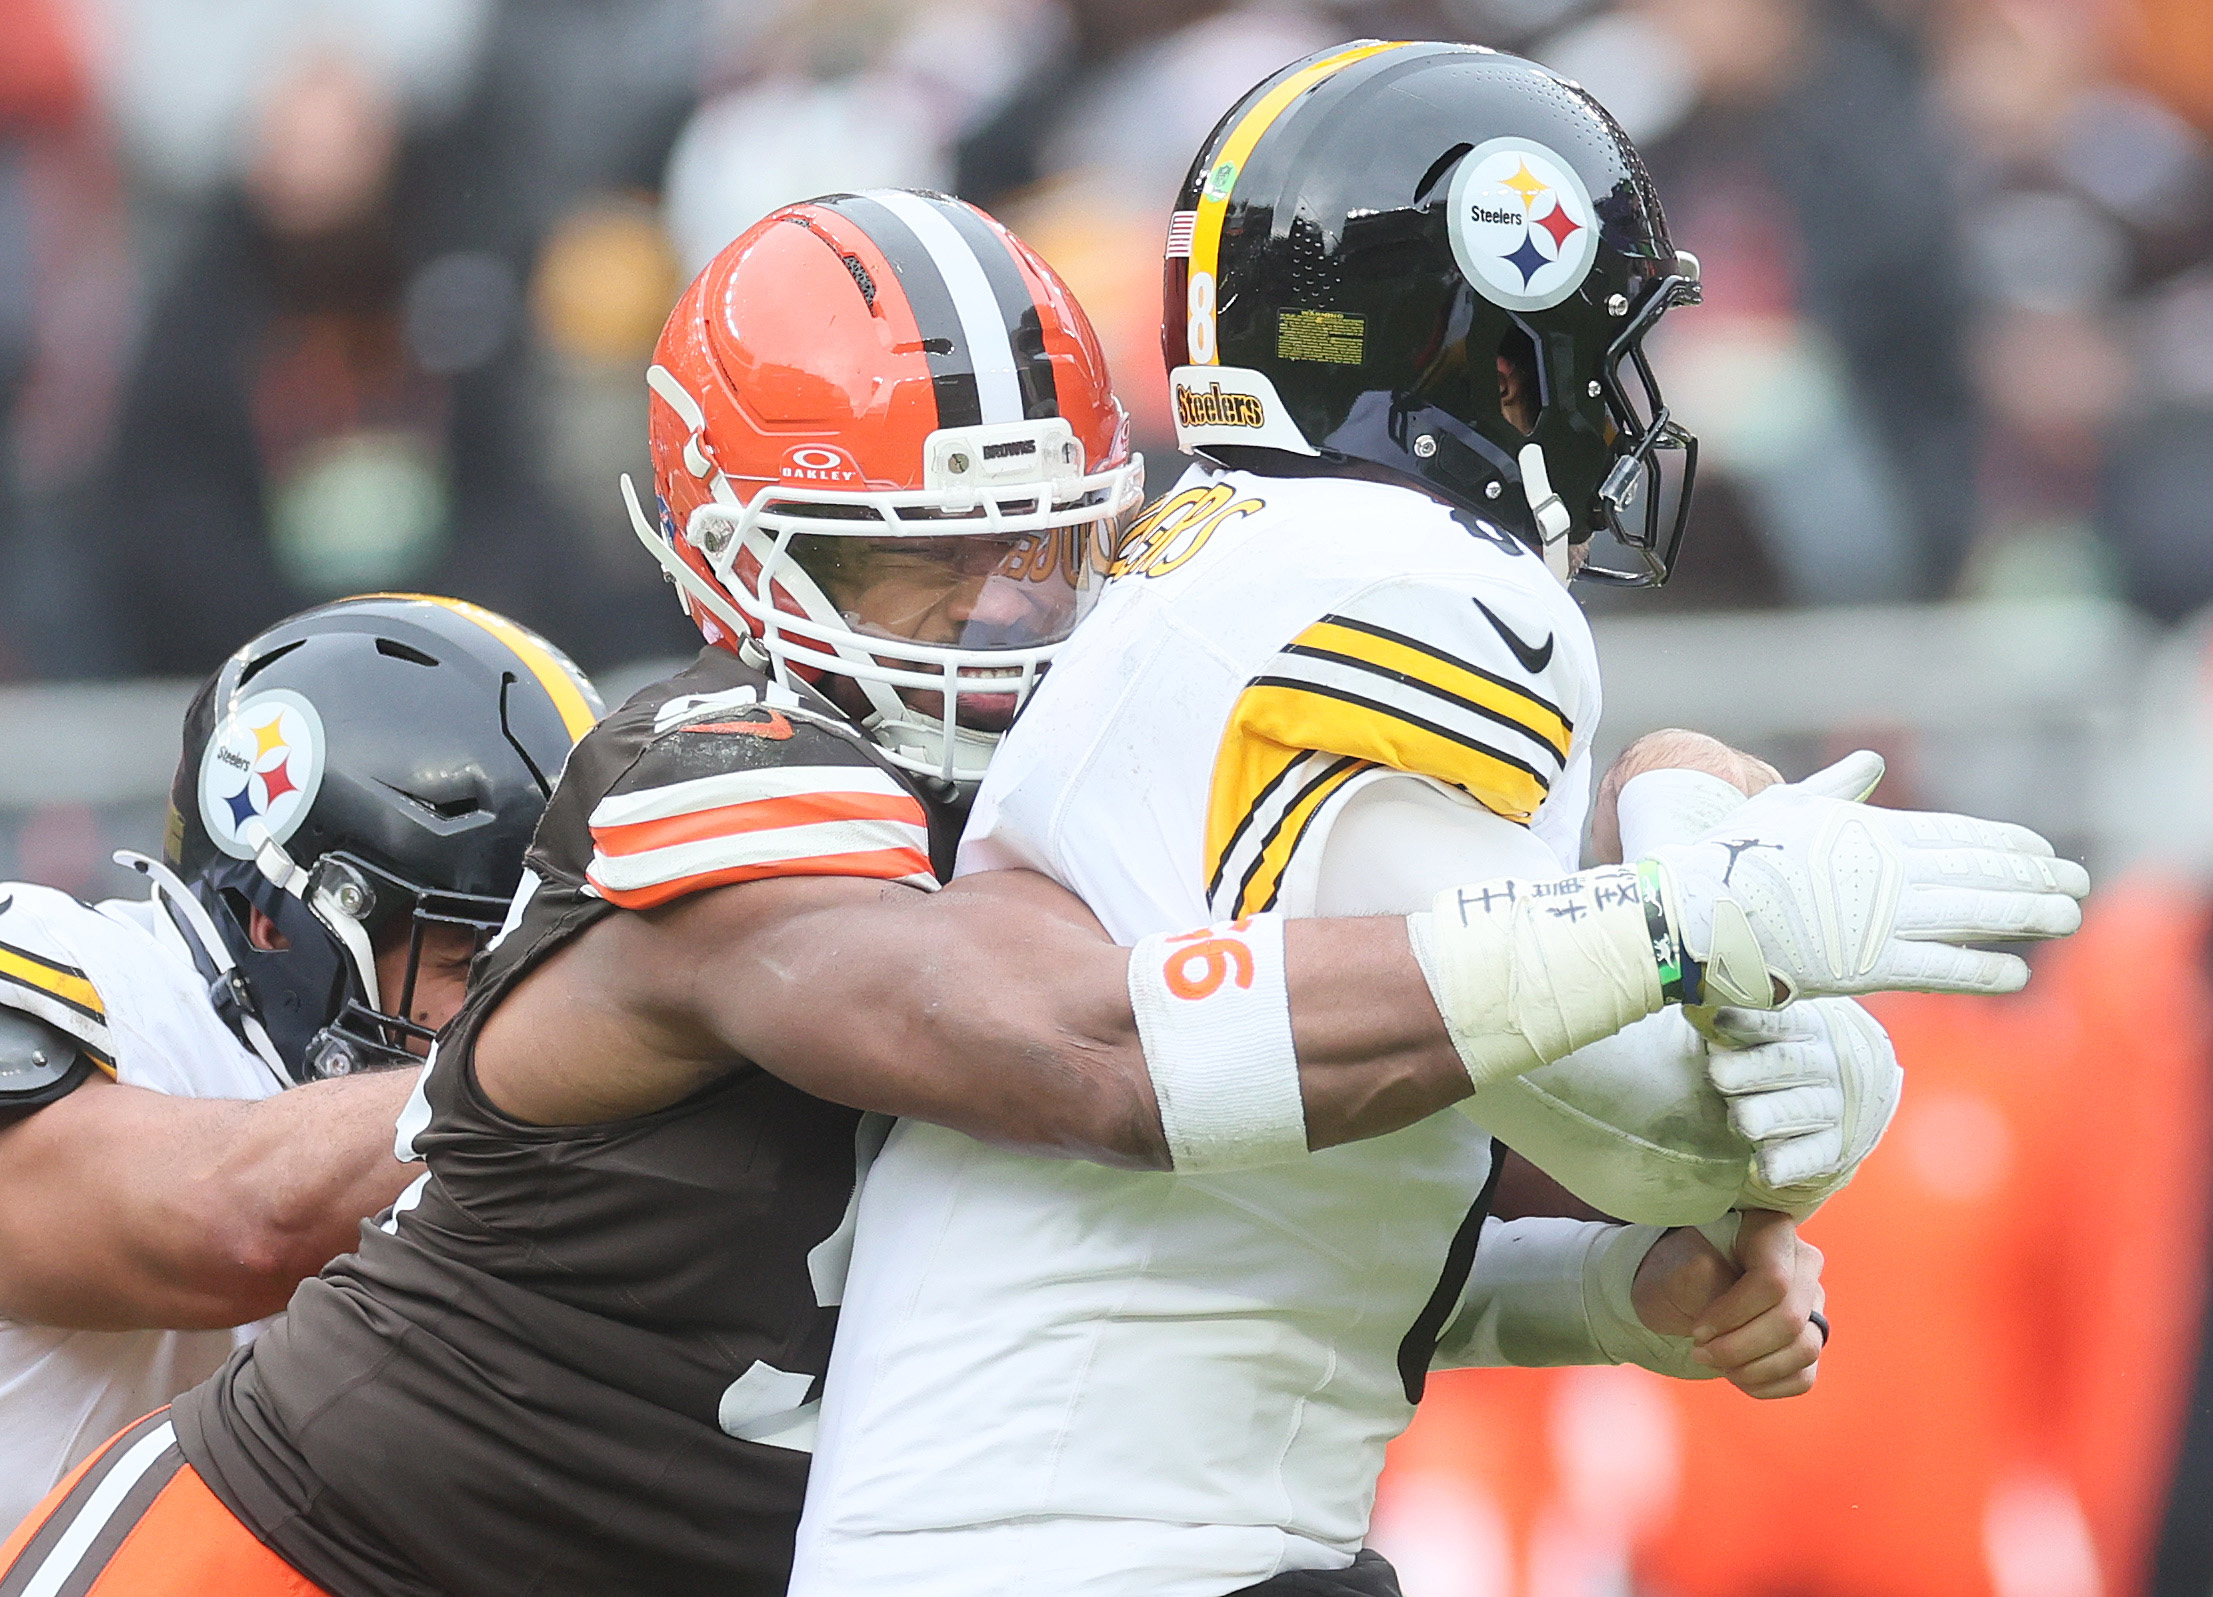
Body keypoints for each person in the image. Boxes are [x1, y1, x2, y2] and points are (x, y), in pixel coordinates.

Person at [0, 189, 2083, 1597]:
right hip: (295, 1563)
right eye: (908, 558)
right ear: (732, 553)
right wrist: (1655, 921)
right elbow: (1096, 1062)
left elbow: (1206, 1172)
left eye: (1038, 550)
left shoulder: (1065, 776)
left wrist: (1604, 1287)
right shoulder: (715, 769)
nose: (992, 619)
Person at [787, 45, 2045, 1597]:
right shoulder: (1403, 581)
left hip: (1086, 1526)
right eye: (1587, 350)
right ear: (1479, 349)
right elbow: (1640, 1122)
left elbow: (1297, 1170)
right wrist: (1721, 892)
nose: (1611, 398)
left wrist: (1610, 1291)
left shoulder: (1236, 555)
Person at [0, 593, 598, 1528]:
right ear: (282, 922)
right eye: (478, 961)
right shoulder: (73, 969)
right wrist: (585, 1059)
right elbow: (236, 1223)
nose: (517, 1004)